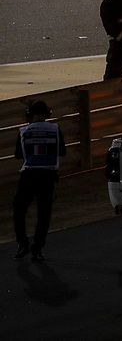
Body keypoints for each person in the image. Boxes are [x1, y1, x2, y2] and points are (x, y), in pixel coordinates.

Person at [13, 100, 66, 262]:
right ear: (47, 114)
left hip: (28, 175)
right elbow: (62, 151)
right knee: (44, 214)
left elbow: (18, 154)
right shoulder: (55, 129)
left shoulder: (23, 131)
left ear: (30, 115)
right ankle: (37, 249)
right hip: (48, 176)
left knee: (19, 209)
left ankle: (23, 244)